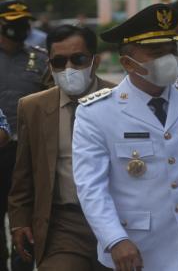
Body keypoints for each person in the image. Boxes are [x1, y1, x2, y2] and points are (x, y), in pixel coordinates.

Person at [72, 3, 178, 271]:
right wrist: (114, 240)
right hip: (138, 249)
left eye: (171, 51)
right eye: (156, 53)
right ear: (127, 62)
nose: (168, 59)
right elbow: (91, 188)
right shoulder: (96, 113)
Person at [7, 25, 115, 271]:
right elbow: (23, 171)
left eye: (78, 60)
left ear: (94, 61)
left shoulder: (119, 99)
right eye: (58, 61)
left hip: (118, 219)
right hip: (64, 224)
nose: (69, 69)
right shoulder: (33, 107)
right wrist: (19, 221)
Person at [0, 0, 48, 270]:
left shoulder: (40, 59)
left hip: (28, 154)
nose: (19, 29)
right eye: (13, 24)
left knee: (25, 221)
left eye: (23, 24)